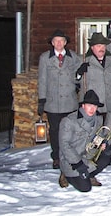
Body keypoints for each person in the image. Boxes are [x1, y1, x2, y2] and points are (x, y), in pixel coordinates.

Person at [37, 29, 82, 169]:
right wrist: (42, 99)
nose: (59, 43)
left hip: (70, 102)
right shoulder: (45, 58)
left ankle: (69, 156)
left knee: (70, 130)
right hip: (53, 102)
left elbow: (77, 78)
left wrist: (79, 77)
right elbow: (42, 80)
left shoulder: (73, 57)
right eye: (56, 40)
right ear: (52, 43)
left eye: (61, 40)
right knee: (55, 130)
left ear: (66, 42)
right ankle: (56, 156)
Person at [59, 90, 111, 191]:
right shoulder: (69, 121)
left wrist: (102, 143)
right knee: (85, 188)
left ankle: (90, 174)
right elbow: (64, 145)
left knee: (107, 154)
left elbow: (98, 137)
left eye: (95, 106)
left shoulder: (98, 119)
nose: (92, 109)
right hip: (72, 160)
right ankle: (65, 174)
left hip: (88, 157)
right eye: (89, 105)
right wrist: (78, 164)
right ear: (83, 105)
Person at [76, 32, 111, 114]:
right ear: (92, 47)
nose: (101, 48)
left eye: (103, 46)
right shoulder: (83, 60)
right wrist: (79, 73)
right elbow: (75, 81)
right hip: (93, 105)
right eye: (98, 46)